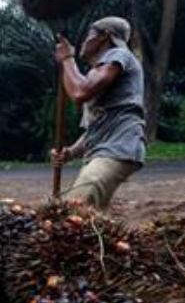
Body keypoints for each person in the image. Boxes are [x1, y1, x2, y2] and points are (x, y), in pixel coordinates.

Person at [51, 16, 146, 210]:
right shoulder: (101, 70)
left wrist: (68, 59)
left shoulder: (119, 55)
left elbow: (79, 92)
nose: (84, 41)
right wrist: (69, 153)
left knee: (74, 209)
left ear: (105, 36)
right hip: (103, 151)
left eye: (89, 35)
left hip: (118, 149)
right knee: (90, 218)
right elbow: (96, 128)